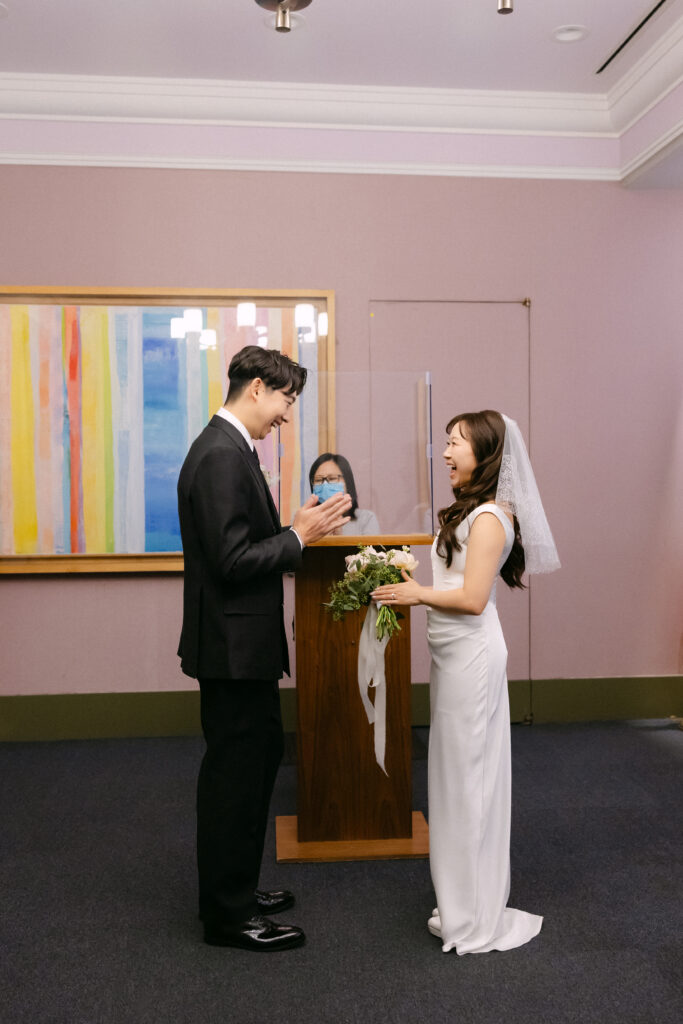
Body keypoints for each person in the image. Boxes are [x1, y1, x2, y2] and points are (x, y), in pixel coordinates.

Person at [177, 345, 351, 951]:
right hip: (232, 647)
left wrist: (289, 529)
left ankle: (238, 889)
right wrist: (299, 537)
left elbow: (245, 544)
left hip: (236, 644)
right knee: (235, 777)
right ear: (257, 388)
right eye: (285, 401)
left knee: (252, 766)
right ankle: (228, 916)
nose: (285, 415)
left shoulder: (224, 447)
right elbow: (231, 562)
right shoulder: (222, 456)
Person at [371, 410, 559, 954]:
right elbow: (453, 584)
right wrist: (405, 579)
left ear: (485, 453)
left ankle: (476, 913)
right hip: (451, 658)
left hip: (472, 661)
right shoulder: (470, 513)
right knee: (453, 782)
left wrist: (417, 595)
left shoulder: (491, 518)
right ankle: (462, 900)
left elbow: (473, 600)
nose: (446, 452)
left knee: (469, 784)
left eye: (455, 443)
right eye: (446, 442)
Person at [308, 452, 380, 535]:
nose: (324, 485)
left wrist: (338, 536)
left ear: (347, 482)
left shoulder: (366, 519)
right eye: (318, 480)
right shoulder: (305, 520)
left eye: (332, 478)